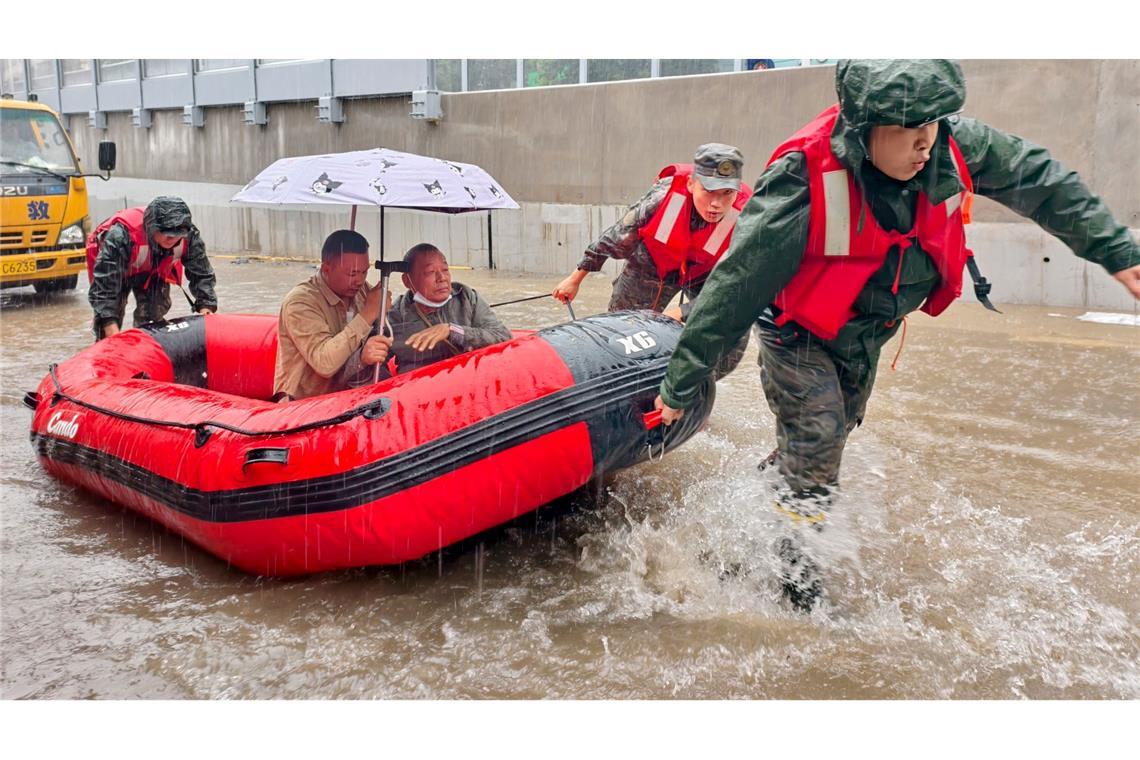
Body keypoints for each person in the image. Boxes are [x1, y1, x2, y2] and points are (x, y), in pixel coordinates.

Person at [653, 59, 1140, 611]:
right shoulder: (803, 175)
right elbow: (737, 283)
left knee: (826, 443)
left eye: (932, 125)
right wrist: (680, 384)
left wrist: (1116, 252)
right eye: (908, 131)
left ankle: (746, 515)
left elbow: (1046, 184)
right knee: (816, 444)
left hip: (865, 335)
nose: (925, 143)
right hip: (799, 333)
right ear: (863, 131)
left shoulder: (953, 143)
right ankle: (797, 594)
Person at [552, 143, 754, 375]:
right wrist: (575, 278)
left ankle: (686, 389)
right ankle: (622, 382)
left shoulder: (749, 217)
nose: (716, 204)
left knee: (733, 333)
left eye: (727, 193)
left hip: (706, 272)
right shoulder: (662, 197)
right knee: (620, 333)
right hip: (652, 264)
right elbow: (615, 237)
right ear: (691, 184)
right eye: (708, 191)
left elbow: (739, 288)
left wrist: (682, 314)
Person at [273, 229, 393, 401]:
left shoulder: (362, 291)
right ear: (326, 269)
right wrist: (368, 313)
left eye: (364, 272)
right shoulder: (300, 302)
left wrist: (383, 313)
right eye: (352, 273)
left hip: (349, 394)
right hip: (303, 404)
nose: (359, 280)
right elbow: (324, 363)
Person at [87, 196, 217, 340]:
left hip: (154, 272)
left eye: (177, 235)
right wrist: (110, 327)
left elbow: (202, 274)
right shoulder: (121, 236)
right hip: (116, 275)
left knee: (154, 314)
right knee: (109, 321)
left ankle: (147, 346)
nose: (172, 240)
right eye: (167, 235)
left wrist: (206, 306)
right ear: (152, 228)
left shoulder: (189, 235)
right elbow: (104, 286)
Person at [377, 243, 511, 377]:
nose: (442, 278)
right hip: (420, 391)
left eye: (445, 270)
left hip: (467, 382)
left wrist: (453, 331)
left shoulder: (466, 297)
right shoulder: (393, 318)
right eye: (430, 272)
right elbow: (375, 366)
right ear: (407, 281)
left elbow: (503, 336)